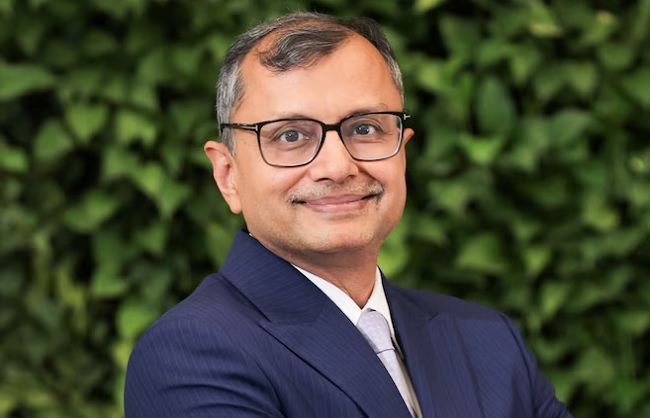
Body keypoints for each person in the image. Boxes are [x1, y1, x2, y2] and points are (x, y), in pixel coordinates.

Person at [124, 11, 572, 418]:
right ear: (228, 175)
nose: (338, 167)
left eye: (365, 128)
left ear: (402, 152)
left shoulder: (488, 340)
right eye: (290, 135)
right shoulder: (190, 353)